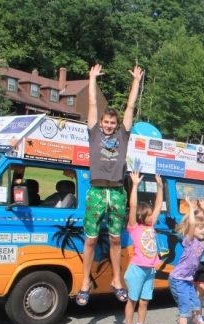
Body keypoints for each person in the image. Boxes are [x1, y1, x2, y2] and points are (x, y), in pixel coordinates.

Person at [76, 63, 143, 306]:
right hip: (96, 191)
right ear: (101, 122)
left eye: (112, 123)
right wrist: (92, 78)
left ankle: (116, 280)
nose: (108, 125)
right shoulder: (94, 133)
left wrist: (136, 82)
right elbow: (93, 104)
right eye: (106, 122)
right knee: (91, 240)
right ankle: (85, 282)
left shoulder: (122, 135)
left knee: (115, 238)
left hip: (116, 191)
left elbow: (130, 107)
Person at [123, 172, 163, 324]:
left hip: (149, 270)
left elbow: (158, 206)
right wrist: (135, 185)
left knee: (145, 302)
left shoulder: (151, 225)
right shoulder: (134, 227)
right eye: (148, 215)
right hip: (137, 269)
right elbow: (132, 206)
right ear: (141, 216)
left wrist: (160, 187)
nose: (152, 216)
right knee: (132, 300)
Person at [169, 198, 204, 324]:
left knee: (195, 305)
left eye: (203, 228)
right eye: (199, 228)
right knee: (185, 310)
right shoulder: (190, 240)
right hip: (178, 279)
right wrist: (191, 208)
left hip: (187, 280)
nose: (203, 230)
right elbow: (193, 224)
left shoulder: (201, 240)